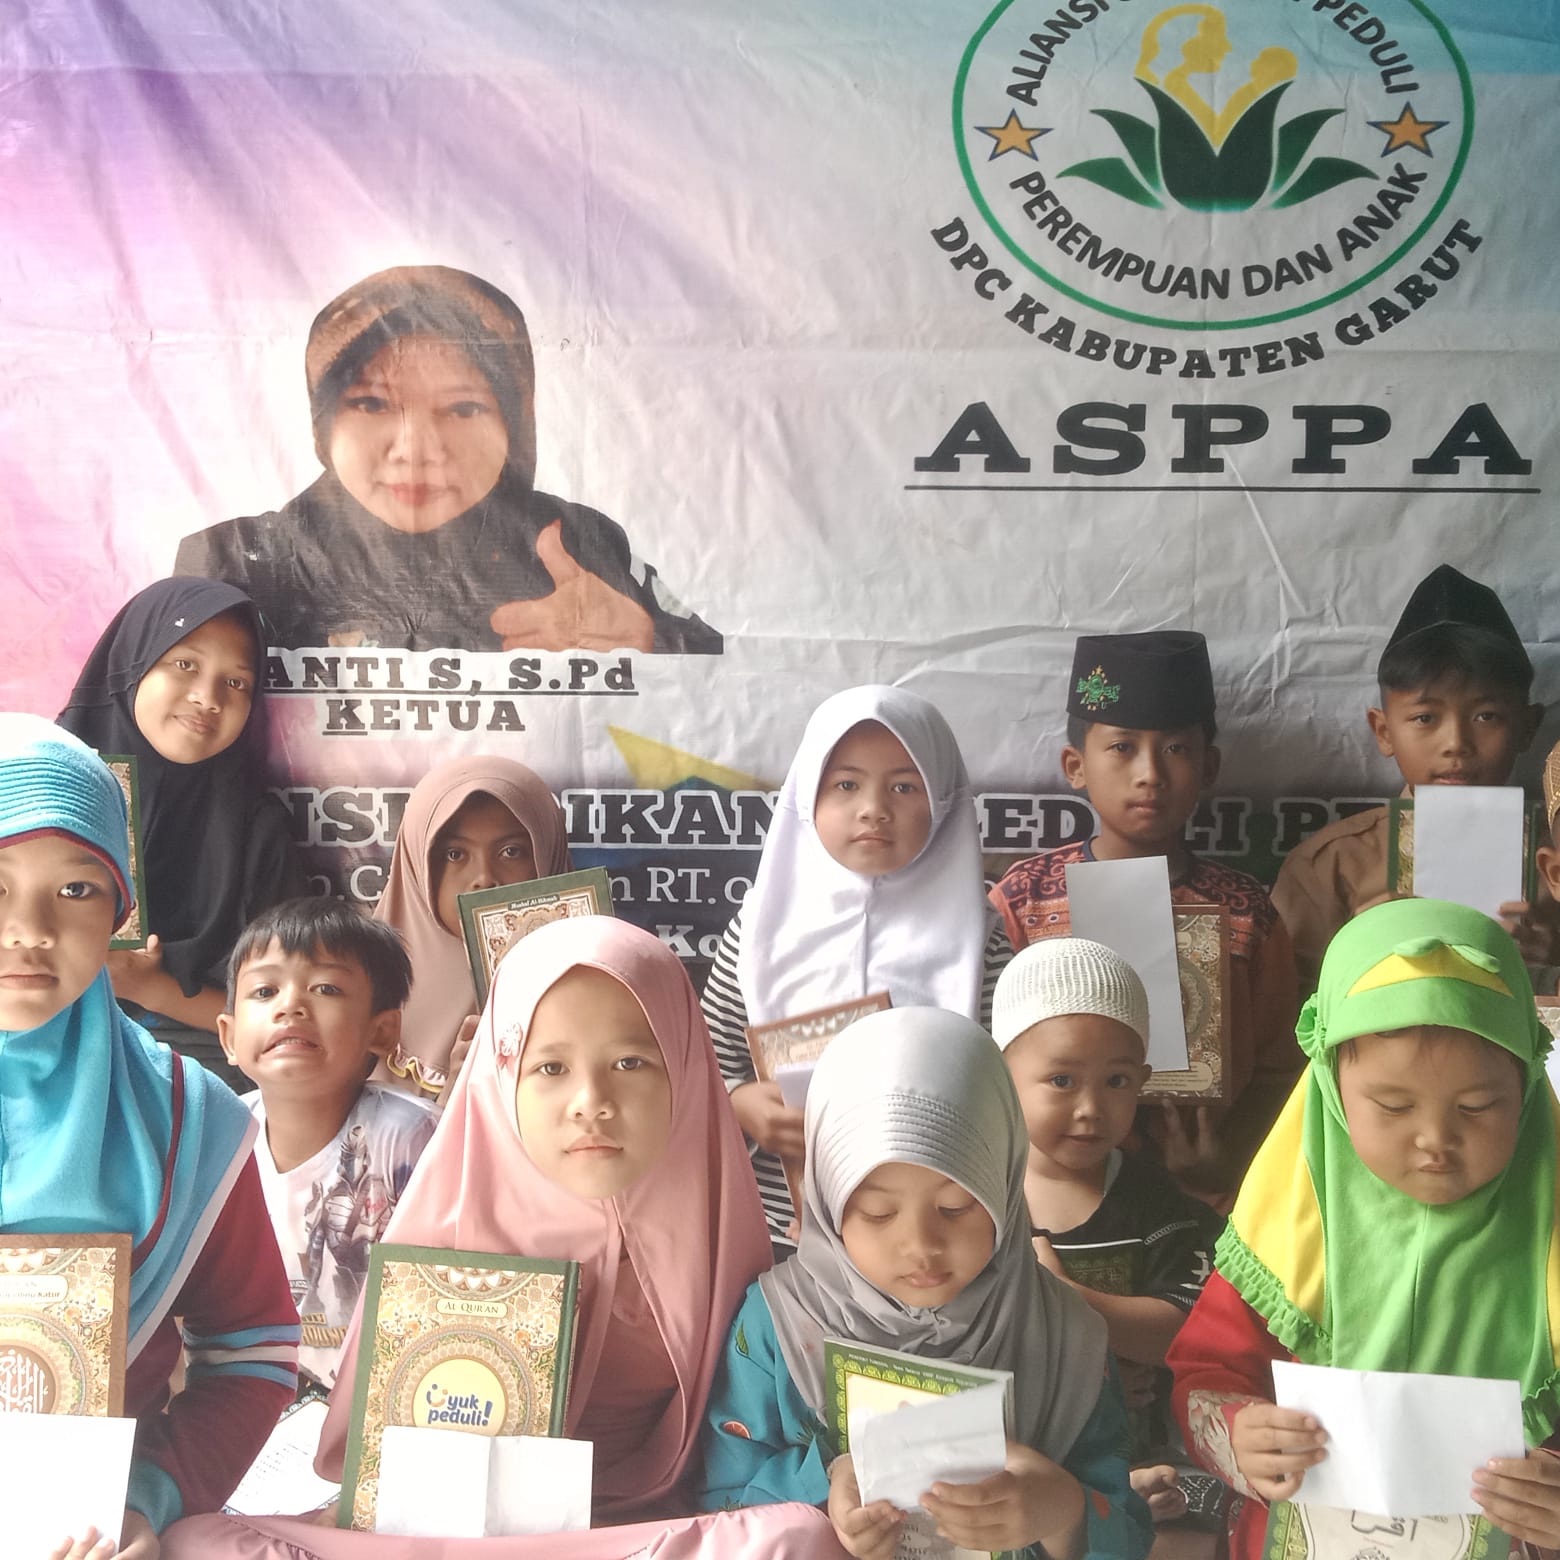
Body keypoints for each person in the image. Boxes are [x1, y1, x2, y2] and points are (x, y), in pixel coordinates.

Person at [162, 917, 843, 1557]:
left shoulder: (718, 1233)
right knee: (196, 1543)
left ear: (687, 1069)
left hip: (640, 1537)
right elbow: (380, 1488)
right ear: (500, 1078)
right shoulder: (448, 1234)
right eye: (551, 1068)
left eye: (632, 1063)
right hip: (450, 1542)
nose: (591, 1102)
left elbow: (746, 1464)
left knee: (799, 1536)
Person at [1168, 898, 1560, 1556]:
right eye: (1394, 1106)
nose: (1435, 1139)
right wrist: (1240, 1433)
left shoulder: (1549, 1250)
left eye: (1477, 1106)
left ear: (1524, 1091)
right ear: (1330, 1091)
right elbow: (1205, 1373)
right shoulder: (1285, 1238)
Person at [0, 715, 297, 1558]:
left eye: (76, 890)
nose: (30, 929)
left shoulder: (187, 1120)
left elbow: (253, 1353)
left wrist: (149, 1501)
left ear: (120, 911)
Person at [698, 1006, 1151, 1559]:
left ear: (1005, 1187)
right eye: (878, 1213)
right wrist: (823, 1485)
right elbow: (720, 1506)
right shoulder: (778, 1326)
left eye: (956, 1207)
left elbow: (1127, 1529)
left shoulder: (1066, 1339)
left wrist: (1063, 1511)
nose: (921, 1245)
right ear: (827, 1202)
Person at [174, 265, 722, 654]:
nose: (416, 449)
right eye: (372, 404)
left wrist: (647, 642)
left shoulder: (581, 545)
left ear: (515, 426)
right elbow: (144, 739)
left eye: (462, 408)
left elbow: (740, 695)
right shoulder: (233, 564)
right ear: (323, 423)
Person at [988, 631, 1300, 1203]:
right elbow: (989, 1056)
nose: (1150, 773)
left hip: (1211, 1194)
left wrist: (1229, 1156)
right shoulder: (1024, 900)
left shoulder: (1245, 911)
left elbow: (1282, 1067)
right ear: (1076, 765)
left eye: (1176, 749)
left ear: (1209, 766)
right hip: (1047, 1193)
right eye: (1122, 747)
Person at [700, 685, 1006, 1253]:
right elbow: (705, 1058)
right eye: (845, 785)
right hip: (777, 1226)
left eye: (904, 786)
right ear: (806, 796)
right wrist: (740, 1103)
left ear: (943, 799)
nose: (873, 808)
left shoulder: (979, 941)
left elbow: (1010, 1082)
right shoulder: (758, 931)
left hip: (928, 1237)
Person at [992, 937, 1226, 1529]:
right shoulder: (973, 1202)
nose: (1091, 1107)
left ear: (1143, 1079)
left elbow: (1185, 1329)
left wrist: (1072, 1300)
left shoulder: (1152, 1199)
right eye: (1062, 1080)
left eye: (1117, 1081)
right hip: (1011, 1466)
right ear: (1001, 1077)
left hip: (1140, 1459)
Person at [56, 577, 309, 1077]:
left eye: (236, 683)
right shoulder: (38, 794)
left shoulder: (254, 830)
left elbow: (290, 1006)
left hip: (203, 1075)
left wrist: (149, 987)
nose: (208, 698)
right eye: (185, 664)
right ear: (133, 662)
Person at [1272, 564, 1547, 993]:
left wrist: (1550, 959)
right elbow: (1282, 1013)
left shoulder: (1552, 859)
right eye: (1425, 718)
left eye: (1486, 716)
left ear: (1527, 727)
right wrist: (1358, 947)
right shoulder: (1328, 866)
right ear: (1383, 731)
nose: (1456, 743)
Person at [219, 899, 437, 1387]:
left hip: (379, 1398)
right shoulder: (219, 1136)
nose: (290, 1006)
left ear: (382, 1030)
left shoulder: (408, 1140)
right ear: (229, 1037)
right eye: (265, 991)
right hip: (253, 1397)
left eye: (326, 988)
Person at [370, 754, 571, 1099]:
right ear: (417, 866)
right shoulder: (360, 993)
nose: (484, 879)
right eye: (454, 854)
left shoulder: (607, 982)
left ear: (547, 855)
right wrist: (454, 1101)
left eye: (511, 852)